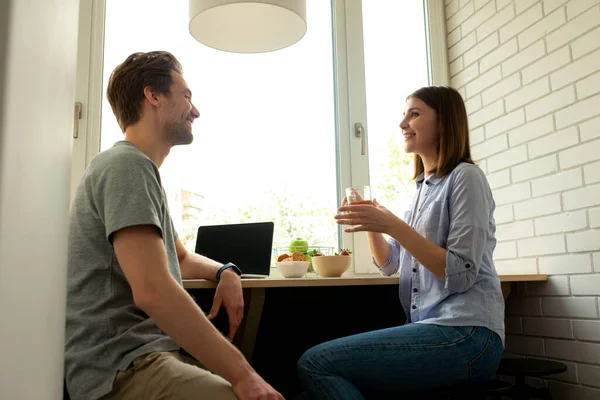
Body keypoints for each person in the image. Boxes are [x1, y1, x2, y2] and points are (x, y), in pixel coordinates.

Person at [64, 51, 284, 400]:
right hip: (120, 367)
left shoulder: (137, 171)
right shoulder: (126, 167)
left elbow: (178, 258)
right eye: (186, 96)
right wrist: (244, 375)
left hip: (147, 355)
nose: (195, 110)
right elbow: (152, 290)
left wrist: (226, 271)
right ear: (153, 96)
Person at [296, 86, 505, 399]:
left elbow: (461, 274)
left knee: (317, 363)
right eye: (404, 114)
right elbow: (390, 264)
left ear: (445, 123)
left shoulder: (466, 177)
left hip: (468, 334)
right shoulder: (420, 191)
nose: (402, 123)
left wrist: (392, 224)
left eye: (415, 113)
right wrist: (373, 223)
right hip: (434, 328)